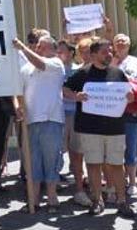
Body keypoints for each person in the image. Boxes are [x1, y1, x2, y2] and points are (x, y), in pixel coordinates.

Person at [63, 38, 136, 218]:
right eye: (105, 51)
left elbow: (130, 95)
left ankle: (121, 201)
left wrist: (130, 96)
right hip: (90, 128)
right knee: (93, 165)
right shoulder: (83, 73)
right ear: (93, 54)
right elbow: (64, 89)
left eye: (110, 50)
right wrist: (76, 96)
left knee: (117, 165)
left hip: (115, 128)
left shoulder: (118, 73)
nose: (109, 53)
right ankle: (97, 201)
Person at [13, 35, 65, 213]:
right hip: (31, 121)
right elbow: (18, 91)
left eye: (43, 46)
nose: (38, 49)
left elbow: (40, 64)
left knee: (51, 160)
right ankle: (33, 199)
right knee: (32, 162)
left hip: (51, 119)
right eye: (37, 46)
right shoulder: (26, 68)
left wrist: (21, 48)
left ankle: (52, 199)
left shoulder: (56, 63)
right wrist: (18, 106)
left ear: (53, 49)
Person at [57, 40, 90, 207]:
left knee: (76, 151)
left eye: (62, 51)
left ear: (71, 53)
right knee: (59, 148)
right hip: (60, 113)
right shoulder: (55, 69)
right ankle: (54, 180)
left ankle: (81, 183)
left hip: (77, 114)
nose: (59, 53)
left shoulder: (79, 70)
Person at [112, 34, 137, 196]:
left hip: (131, 111)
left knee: (131, 149)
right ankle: (117, 181)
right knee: (114, 150)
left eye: (124, 41)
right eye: (118, 41)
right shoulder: (109, 62)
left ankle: (132, 182)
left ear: (129, 44)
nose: (121, 43)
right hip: (111, 112)